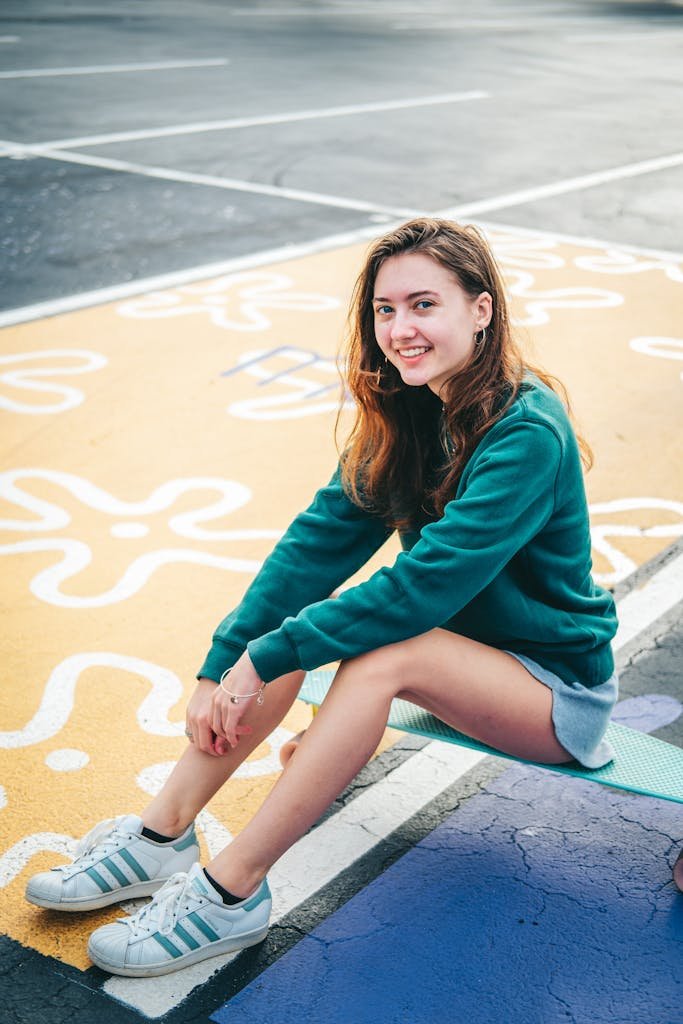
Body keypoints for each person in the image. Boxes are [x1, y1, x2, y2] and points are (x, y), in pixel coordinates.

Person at [25, 217, 623, 977]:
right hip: (461, 660)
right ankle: (160, 837)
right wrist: (228, 659)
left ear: (481, 309)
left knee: (371, 650)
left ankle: (229, 894)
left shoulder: (526, 431)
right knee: (291, 635)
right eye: (384, 309)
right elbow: (315, 544)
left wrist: (268, 654)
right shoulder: (408, 409)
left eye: (422, 305)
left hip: (550, 688)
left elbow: (419, 590)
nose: (399, 329)